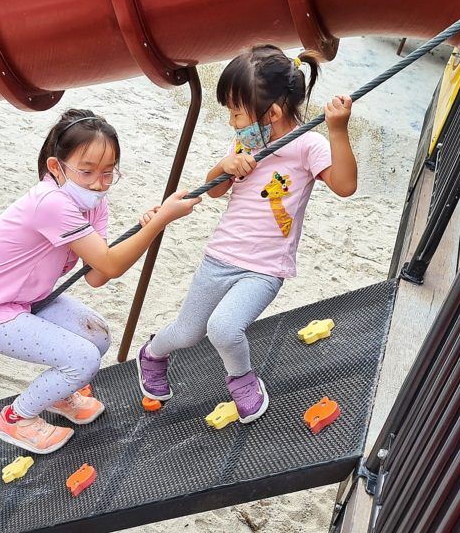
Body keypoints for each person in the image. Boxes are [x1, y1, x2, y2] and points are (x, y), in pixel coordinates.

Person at [0, 109, 200, 454]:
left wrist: (151, 224)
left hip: (31, 299)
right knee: (83, 359)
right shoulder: (51, 203)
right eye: (86, 172)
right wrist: (158, 223)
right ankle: (16, 418)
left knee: (97, 337)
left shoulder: (94, 203)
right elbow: (110, 265)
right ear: (56, 167)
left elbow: (97, 275)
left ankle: (59, 396)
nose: (99, 183)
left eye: (107, 172)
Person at [136, 44, 357, 423]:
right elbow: (217, 189)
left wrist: (337, 129)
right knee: (189, 332)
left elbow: (345, 185)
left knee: (223, 328)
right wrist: (224, 165)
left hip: (265, 268)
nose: (232, 122)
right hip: (220, 258)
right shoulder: (248, 142)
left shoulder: (308, 145)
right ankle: (153, 353)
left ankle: (241, 378)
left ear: (270, 113)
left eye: (236, 113)